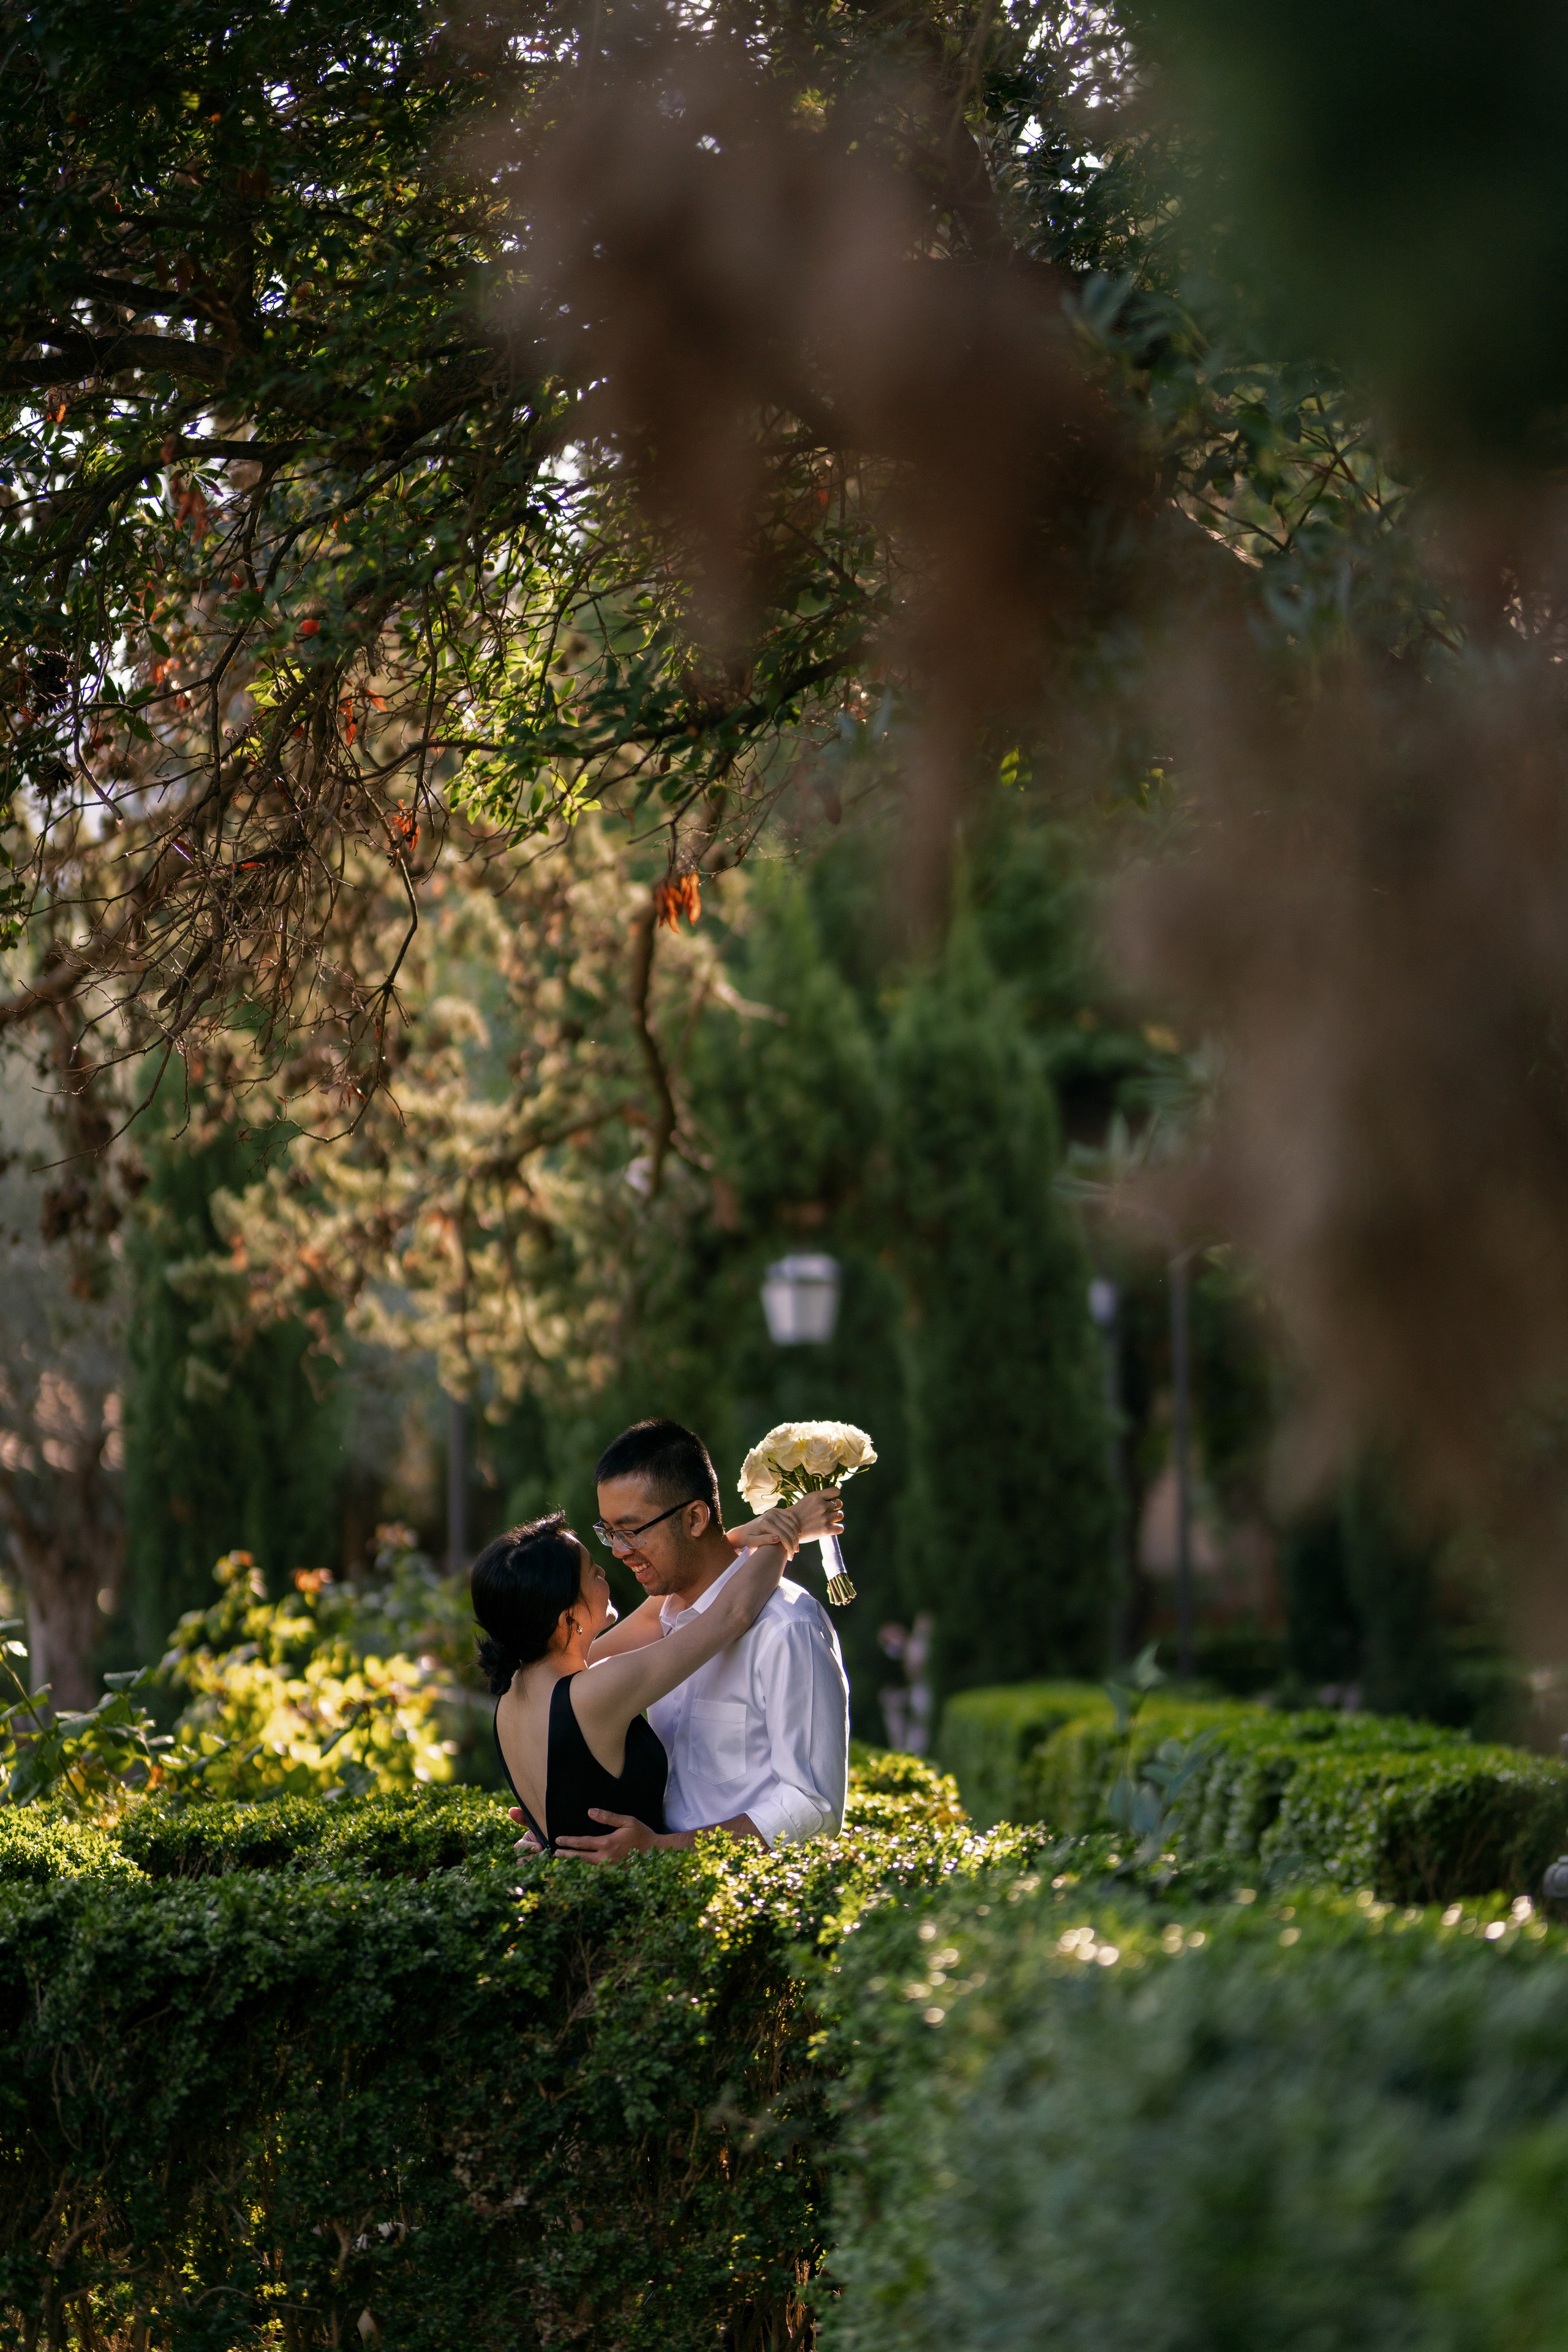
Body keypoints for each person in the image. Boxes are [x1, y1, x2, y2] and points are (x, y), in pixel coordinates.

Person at [507, 1417, 850, 1861]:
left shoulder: (786, 1627)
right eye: (609, 1532)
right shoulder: (664, 1626)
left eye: (631, 1530)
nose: (618, 1551)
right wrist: (562, 1823)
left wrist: (662, 1850)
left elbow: (815, 1808)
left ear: (694, 1518)